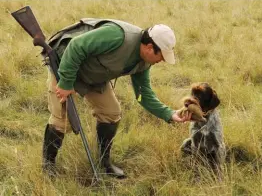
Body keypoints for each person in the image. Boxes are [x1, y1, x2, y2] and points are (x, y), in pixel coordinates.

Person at [42, 18, 191, 179]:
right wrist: (65, 82)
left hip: (94, 75)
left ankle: (104, 162)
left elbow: (144, 94)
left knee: (111, 113)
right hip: (65, 66)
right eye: (161, 56)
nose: (161, 61)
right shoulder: (118, 36)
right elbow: (76, 46)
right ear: (149, 47)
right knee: (62, 122)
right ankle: (48, 167)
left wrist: (169, 114)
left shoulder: (144, 62)